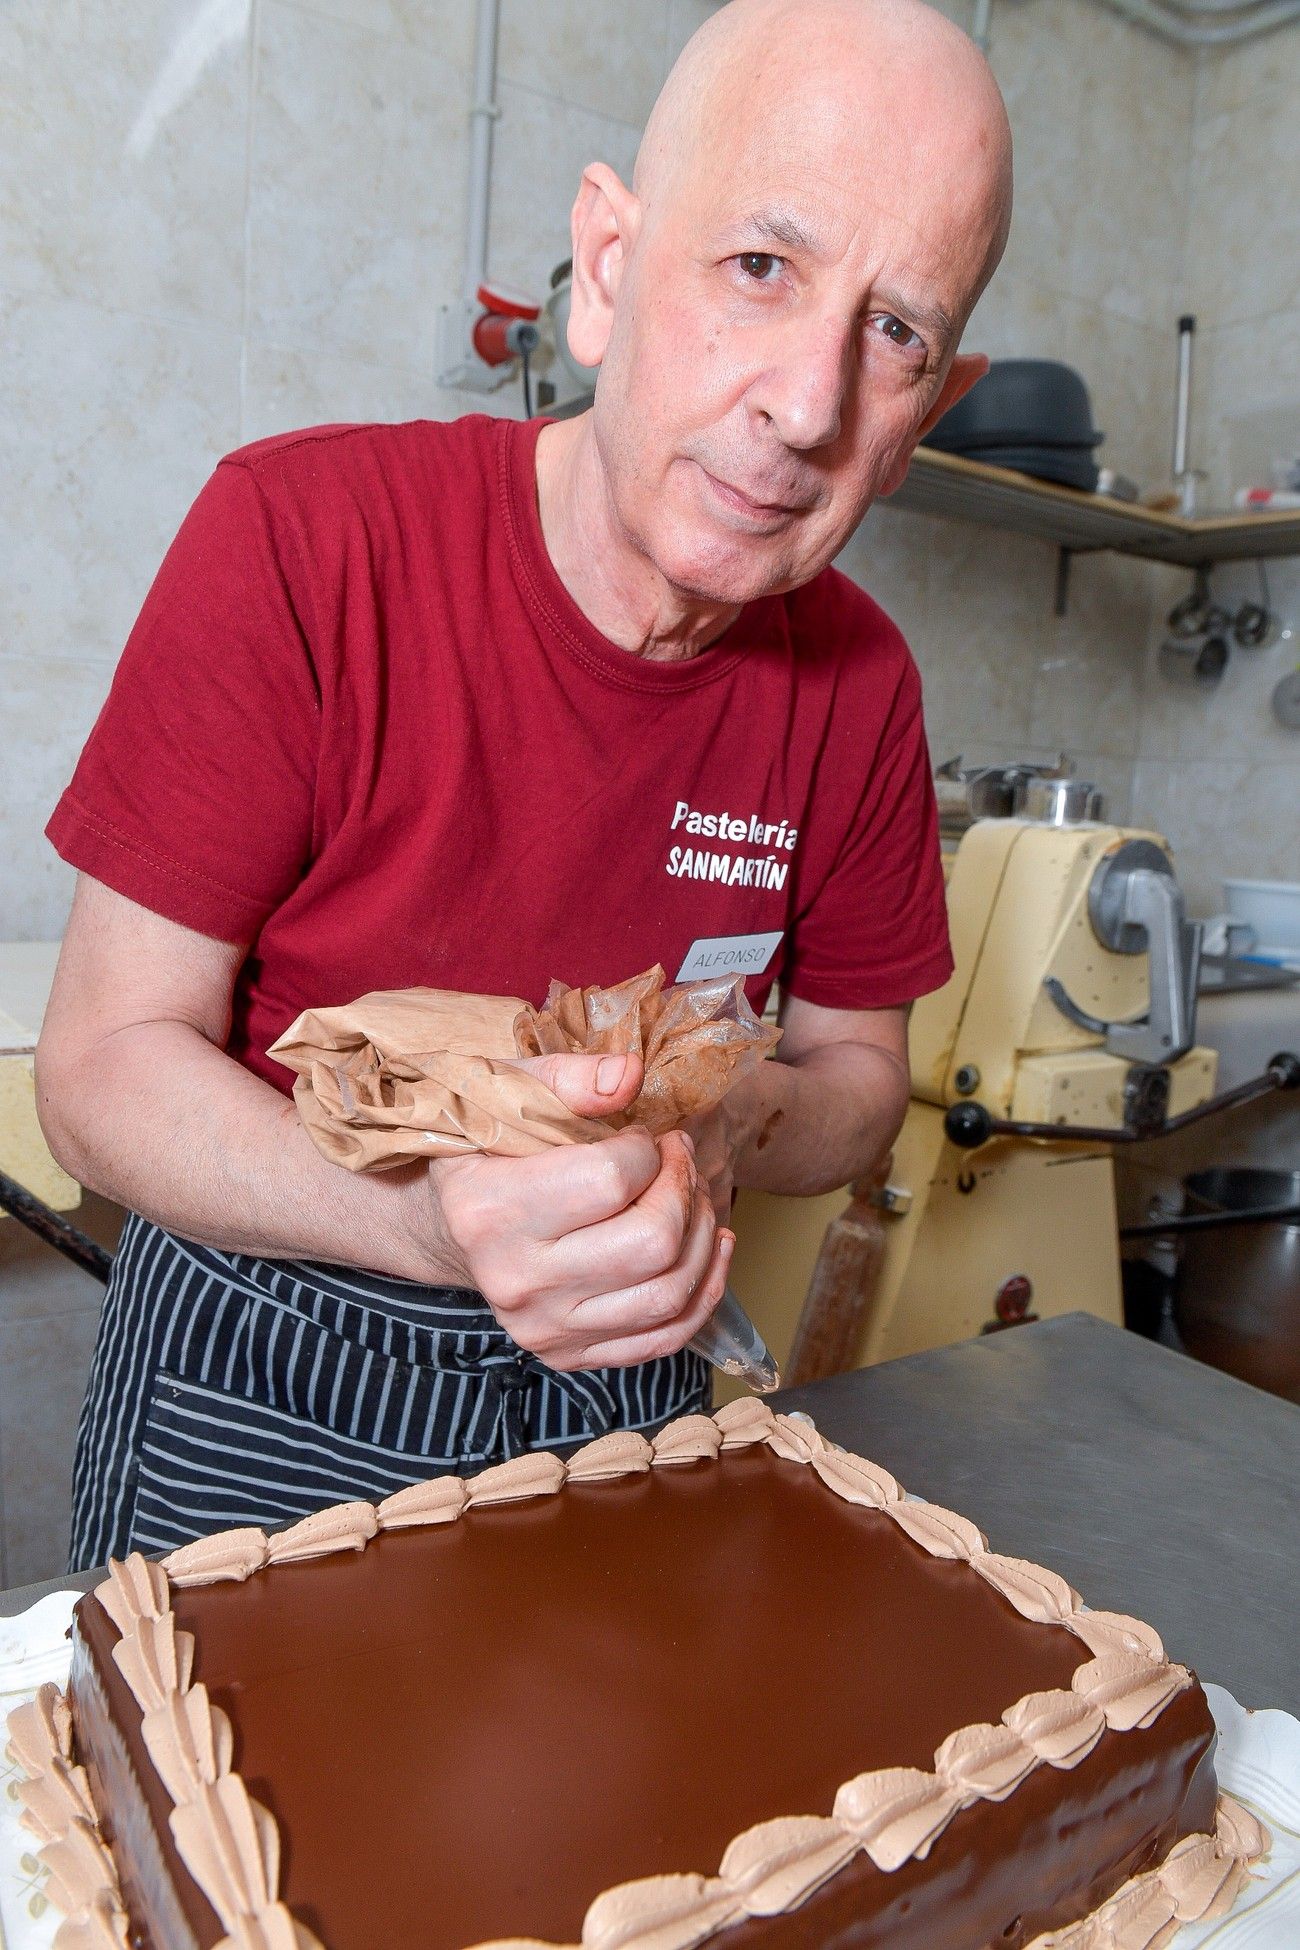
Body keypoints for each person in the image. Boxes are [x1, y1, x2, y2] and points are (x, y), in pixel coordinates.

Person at [36, 0, 1013, 1566]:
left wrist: (710, 1115)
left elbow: (859, 1087)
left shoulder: (863, 687)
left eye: (892, 330)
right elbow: (94, 1069)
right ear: (612, 269)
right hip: (257, 1388)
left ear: (927, 415)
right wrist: (428, 1219)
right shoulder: (302, 540)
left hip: (631, 1413)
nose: (807, 404)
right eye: (760, 268)